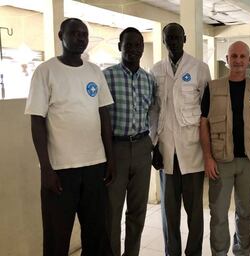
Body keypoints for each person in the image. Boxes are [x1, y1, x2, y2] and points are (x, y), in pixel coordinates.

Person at [25, 18, 114, 255]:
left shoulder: (94, 71)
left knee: (96, 234)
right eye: (74, 33)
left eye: (84, 34)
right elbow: (37, 120)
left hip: (95, 166)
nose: (80, 38)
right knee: (57, 237)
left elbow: (104, 115)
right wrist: (46, 168)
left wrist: (110, 158)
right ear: (60, 35)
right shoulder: (45, 71)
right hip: (61, 170)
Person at [200, 41, 250, 256]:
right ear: (227, 60)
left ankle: (242, 252)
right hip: (221, 162)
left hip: (249, 162)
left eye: (242, 56)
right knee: (219, 214)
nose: (238, 60)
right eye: (234, 56)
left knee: (245, 213)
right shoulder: (213, 87)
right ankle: (219, 253)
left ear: (249, 60)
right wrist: (208, 158)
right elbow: (203, 123)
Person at [150, 22, 211, 256]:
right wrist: (153, 143)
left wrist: (208, 152)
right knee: (169, 211)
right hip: (166, 150)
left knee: (195, 212)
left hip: (192, 151)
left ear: (184, 38)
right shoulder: (156, 70)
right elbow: (154, 110)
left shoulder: (199, 68)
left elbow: (206, 112)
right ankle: (171, 252)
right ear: (163, 41)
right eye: (168, 38)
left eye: (177, 37)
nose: (173, 41)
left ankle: (193, 252)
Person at [103, 27, 156, 256]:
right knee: (112, 212)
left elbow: (152, 113)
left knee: (137, 210)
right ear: (119, 47)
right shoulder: (106, 76)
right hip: (117, 149)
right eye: (129, 45)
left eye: (138, 45)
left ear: (143, 48)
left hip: (143, 148)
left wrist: (152, 143)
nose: (133, 49)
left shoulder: (149, 80)